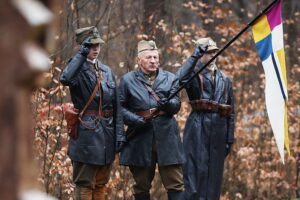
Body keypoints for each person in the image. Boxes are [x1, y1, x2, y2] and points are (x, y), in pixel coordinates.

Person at [60, 26, 125, 200]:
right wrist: (81, 55)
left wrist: (119, 134)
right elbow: (65, 79)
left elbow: (117, 106)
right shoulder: (76, 69)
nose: (96, 49)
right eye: (91, 45)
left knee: (102, 183)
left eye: (98, 45)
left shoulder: (107, 71)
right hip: (86, 132)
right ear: (82, 47)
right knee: (85, 183)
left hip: (107, 132)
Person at [118, 40, 185, 200]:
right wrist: (134, 120)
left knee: (176, 184)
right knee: (141, 186)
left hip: (167, 137)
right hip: (140, 137)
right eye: (149, 57)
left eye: (155, 57)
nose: (153, 61)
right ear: (139, 60)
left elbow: (177, 105)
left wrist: (168, 104)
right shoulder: (127, 80)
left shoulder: (170, 78)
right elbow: (119, 108)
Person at [176, 37, 235, 200]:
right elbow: (178, 79)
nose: (213, 55)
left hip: (219, 130)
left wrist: (229, 138)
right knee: (194, 176)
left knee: (214, 178)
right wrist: (194, 56)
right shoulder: (194, 75)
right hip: (197, 127)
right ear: (201, 54)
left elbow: (231, 111)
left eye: (214, 52)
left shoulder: (225, 79)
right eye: (208, 52)